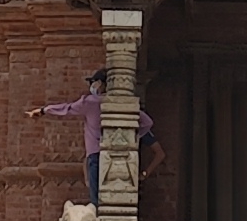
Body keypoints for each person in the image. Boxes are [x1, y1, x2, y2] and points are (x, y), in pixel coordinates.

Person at [32, 69, 156, 201]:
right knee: (117, 196)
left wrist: (43, 110)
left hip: (95, 154)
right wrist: (133, 137)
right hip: (119, 155)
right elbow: (147, 122)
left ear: (99, 83)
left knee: (97, 199)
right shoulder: (122, 103)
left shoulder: (89, 102)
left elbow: (66, 109)